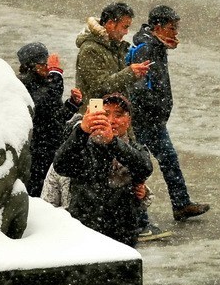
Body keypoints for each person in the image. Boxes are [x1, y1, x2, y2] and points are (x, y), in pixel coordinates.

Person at [127, 6, 210, 223]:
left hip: (154, 119)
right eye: (172, 29)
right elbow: (140, 87)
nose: (175, 34)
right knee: (139, 166)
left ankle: (181, 204)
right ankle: (137, 215)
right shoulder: (147, 49)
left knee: (168, 160)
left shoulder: (157, 46)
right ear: (158, 28)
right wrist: (153, 107)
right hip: (144, 120)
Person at [53, 92, 153, 247]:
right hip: (85, 231)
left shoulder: (134, 149)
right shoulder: (84, 147)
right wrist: (82, 131)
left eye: (118, 115)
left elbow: (145, 168)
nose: (112, 121)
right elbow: (61, 165)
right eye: (105, 114)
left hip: (123, 234)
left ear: (129, 120)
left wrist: (112, 142)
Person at [16, 42, 81, 197]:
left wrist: (72, 104)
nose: (47, 68)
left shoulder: (43, 84)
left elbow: (55, 118)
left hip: (50, 149)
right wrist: (56, 73)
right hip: (38, 152)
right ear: (32, 66)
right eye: (44, 64)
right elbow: (46, 102)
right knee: (37, 192)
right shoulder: (24, 84)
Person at [74, 2, 148, 107]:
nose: (126, 32)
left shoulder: (116, 46)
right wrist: (130, 73)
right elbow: (99, 87)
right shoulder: (90, 49)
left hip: (113, 112)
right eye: (125, 27)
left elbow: (116, 82)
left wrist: (136, 75)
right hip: (96, 112)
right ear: (110, 24)